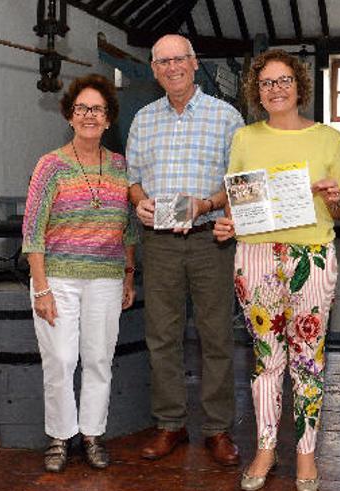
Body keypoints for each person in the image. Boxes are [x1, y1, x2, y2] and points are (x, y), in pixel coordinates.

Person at [213, 49, 340, 491]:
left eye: (284, 80)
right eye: (267, 82)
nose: (276, 88)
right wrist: (230, 220)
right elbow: (238, 198)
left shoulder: (328, 138)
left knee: (308, 359)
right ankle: (267, 448)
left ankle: (306, 455)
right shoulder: (245, 138)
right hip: (254, 255)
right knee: (265, 360)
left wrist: (334, 199)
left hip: (311, 255)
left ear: (299, 85)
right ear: (257, 89)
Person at [126, 34, 244, 466]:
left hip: (210, 239)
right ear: (154, 70)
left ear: (195, 64)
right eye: (163, 62)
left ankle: (217, 430)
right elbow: (134, 178)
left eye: (180, 59)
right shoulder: (143, 119)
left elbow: (239, 184)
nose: (172, 67)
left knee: (215, 335)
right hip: (159, 243)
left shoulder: (226, 116)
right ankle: (170, 424)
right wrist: (139, 201)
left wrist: (208, 204)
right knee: (162, 336)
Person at [21, 73, 137, 472]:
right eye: (82, 108)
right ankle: (59, 435)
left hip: (106, 278)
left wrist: (128, 274)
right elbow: (32, 231)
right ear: (70, 116)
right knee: (60, 357)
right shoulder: (50, 165)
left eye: (98, 109)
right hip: (58, 278)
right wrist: (41, 289)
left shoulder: (121, 167)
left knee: (99, 358)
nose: (89, 115)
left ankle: (91, 434)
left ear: (108, 119)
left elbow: (129, 228)